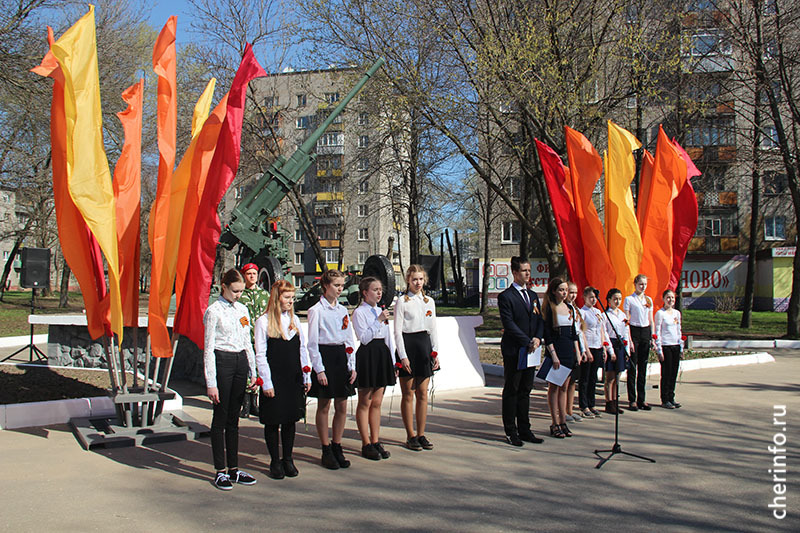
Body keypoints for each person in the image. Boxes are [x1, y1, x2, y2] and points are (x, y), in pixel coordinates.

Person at [203, 268, 258, 490]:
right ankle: (220, 470)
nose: (238, 295)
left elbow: (247, 341)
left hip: (240, 361)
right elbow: (208, 349)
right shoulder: (213, 311)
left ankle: (234, 468)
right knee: (221, 417)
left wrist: (253, 370)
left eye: (241, 291)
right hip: (222, 360)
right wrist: (211, 382)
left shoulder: (242, 309)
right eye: (235, 290)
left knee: (234, 418)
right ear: (224, 287)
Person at [254, 280, 311, 480]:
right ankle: (274, 460)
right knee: (273, 421)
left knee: (289, 419)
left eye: (292, 297)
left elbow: (302, 349)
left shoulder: (294, 321)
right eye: (287, 297)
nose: (290, 301)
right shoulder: (263, 322)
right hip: (275, 377)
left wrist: (306, 374)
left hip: (292, 376)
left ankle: (288, 458)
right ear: (277, 298)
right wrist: (266, 382)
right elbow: (260, 354)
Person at [307, 269, 357, 470]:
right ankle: (325, 448)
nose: (340, 289)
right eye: (336, 285)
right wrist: (319, 369)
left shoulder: (343, 311)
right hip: (324, 356)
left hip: (340, 357)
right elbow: (312, 343)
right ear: (326, 286)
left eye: (342, 285)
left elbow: (348, 338)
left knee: (342, 405)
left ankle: (337, 444)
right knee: (324, 405)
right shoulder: (316, 311)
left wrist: (351, 364)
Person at [498, 257, 544, 446]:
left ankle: (525, 428)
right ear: (515, 273)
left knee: (526, 389)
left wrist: (538, 338)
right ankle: (511, 430)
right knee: (513, 389)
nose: (527, 273)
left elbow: (539, 319)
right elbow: (508, 324)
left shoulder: (532, 296)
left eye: (528, 270)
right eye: (524, 271)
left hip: (531, 350)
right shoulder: (506, 296)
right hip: (515, 349)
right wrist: (526, 341)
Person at [352, 276, 398, 460]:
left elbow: (388, 337)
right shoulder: (359, 313)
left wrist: (393, 361)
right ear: (365, 292)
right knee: (365, 401)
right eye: (375, 289)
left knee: (377, 402)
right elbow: (363, 338)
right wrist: (378, 320)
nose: (379, 293)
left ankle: (376, 439)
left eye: (380, 290)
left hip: (382, 354)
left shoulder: (380, 311)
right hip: (367, 355)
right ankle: (365, 442)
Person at [394, 264, 439, 451]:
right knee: (408, 393)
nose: (418, 283)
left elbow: (433, 329)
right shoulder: (402, 301)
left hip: (424, 346)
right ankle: (410, 435)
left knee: (422, 393)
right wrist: (403, 356)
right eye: (414, 279)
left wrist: (435, 353)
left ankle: (421, 434)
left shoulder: (429, 301)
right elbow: (397, 331)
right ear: (408, 280)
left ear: (425, 280)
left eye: (421, 279)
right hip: (408, 345)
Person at [541, 278, 581, 438]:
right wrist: (553, 355)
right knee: (554, 387)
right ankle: (554, 422)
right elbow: (548, 334)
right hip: (556, 351)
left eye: (566, 290)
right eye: (561, 290)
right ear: (553, 291)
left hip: (568, 350)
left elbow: (574, 332)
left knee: (565, 386)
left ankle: (563, 420)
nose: (565, 293)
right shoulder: (550, 308)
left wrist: (577, 352)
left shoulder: (569, 307)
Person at [238, 263, 270, 418]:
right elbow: (239, 316)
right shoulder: (240, 295)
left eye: (254, 274)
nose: (252, 276)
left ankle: (255, 403)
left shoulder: (264, 295)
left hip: (261, 338)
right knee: (246, 371)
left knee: (258, 370)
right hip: (245, 338)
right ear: (244, 275)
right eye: (249, 274)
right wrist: (246, 328)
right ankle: (246, 404)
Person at [578, 286, 612, 419]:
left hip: (598, 346)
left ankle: (592, 404)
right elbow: (581, 332)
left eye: (595, 297)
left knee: (593, 377)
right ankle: (584, 404)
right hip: (589, 347)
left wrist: (604, 346)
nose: (593, 300)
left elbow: (602, 330)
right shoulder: (583, 312)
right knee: (585, 378)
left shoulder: (598, 312)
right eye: (590, 297)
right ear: (585, 297)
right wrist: (585, 350)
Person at [623, 274, 654, 411]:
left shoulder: (648, 300)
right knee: (633, 367)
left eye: (645, 284)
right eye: (641, 284)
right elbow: (627, 320)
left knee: (643, 367)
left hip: (645, 332)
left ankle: (642, 399)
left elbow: (650, 319)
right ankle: (632, 399)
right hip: (634, 332)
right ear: (635, 284)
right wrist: (629, 338)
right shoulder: (629, 299)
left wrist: (652, 336)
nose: (643, 287)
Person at [654, 289, 683, 409]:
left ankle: (671, 396)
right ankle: (665, 398)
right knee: (666, 373)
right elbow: (657, 332)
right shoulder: (660, 313)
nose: (670, 300)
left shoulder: (677, 313)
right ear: (663, 299)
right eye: (668, 298)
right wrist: (659, 349)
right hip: (665, 346)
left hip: (675, 345)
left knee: (673, 373)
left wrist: (681, 347)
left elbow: (678, 330)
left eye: (672, 298)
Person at [603, 288, 629, 415]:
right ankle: (609, 402)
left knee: (618, 375)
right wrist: (610, 350)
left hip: (620, 344)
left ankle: (615, 401)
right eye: (615, 299)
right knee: (610, 377)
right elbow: (606, 333)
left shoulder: (623, 315)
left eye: (619, 299)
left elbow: (626, 332)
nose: (617, 301)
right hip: (611, 344)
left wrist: (627, 349)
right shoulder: (605, 315)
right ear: (609, 300)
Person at [564, 281, 587, 423]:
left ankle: (570, 409)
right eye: (570, 292)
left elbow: (580, 331)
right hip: (568, 345)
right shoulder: (563, 307)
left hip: (577, 344)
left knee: (573, 381)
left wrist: (583, 349)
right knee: (565, 382)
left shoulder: (575, 308)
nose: (572, 295)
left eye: (574, 293)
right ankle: (562, 411)